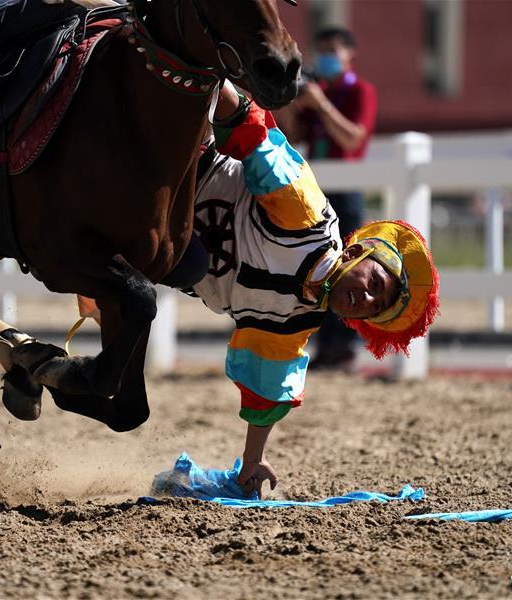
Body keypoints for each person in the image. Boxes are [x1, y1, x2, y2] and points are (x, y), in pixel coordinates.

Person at [168, 82, 437, 497]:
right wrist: (209, 77)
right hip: (180, 162)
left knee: (180, 268)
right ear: (360, 251)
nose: (366, 298)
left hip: (156, 251)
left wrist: (253, 461)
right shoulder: (304, 214)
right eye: (374, 284)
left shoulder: (295, 324)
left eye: (375, 307)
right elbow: (254, 131)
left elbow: (267, 386)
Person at [276, 27, 378, 372]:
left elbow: (352, 139)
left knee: (349, 268)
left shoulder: (359, 91)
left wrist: (321, 104)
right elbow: (294, 136)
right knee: (316, 268)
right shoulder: (318, 92)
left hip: (346, 189)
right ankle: (324, 347)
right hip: (316, 189)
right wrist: (289, 101)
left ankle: (347, 346)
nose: (327, 58)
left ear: (351, 55)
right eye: (322, 51)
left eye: (334, 50)